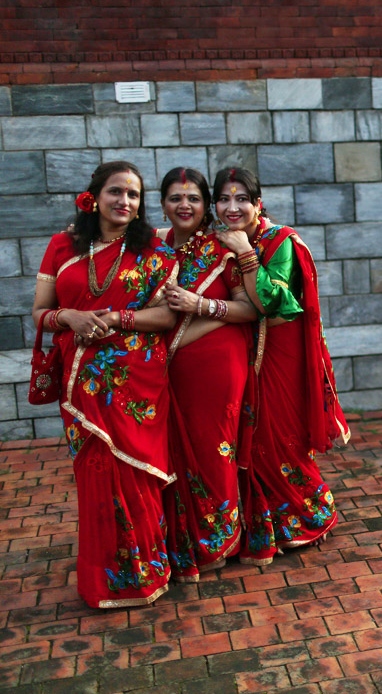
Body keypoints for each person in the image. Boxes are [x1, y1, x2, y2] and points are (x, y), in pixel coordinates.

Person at [31, 161, 178, 608]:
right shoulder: (62, 246)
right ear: (94, 196)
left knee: (136, 475)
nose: (125, 202)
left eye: (134, 195)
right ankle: (105, 580)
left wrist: (118, 318)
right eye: (116, 192)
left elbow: (169, 315)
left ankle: (145, 574)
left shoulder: (153, 250)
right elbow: (40, 311)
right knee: (96, 477)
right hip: (82, 384)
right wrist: (68, 317)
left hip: (137, 384)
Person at [211, 167, 349, 564]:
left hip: (279, 347)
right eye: (224, 199)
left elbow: (270, 300)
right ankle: (263, 521)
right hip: (242, 345)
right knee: (248, 437)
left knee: (277, 434)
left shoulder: (280, 241)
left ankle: (307, 514)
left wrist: (245, 252)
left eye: (241, 200)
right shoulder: (216, 239)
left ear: (259, 203)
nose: (232, 207)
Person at [156, 167, 256, 580]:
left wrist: (199, 305)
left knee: (212, 449)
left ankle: (217, 541)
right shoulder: (151, 247)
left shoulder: (221, 248)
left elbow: (250, 309)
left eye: (194, 199)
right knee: (172, 451)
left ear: (206, 206)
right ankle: (179, 540)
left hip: (216, 363)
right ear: (162, 203)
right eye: (176, 198)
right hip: (163, 366)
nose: (185, 206)